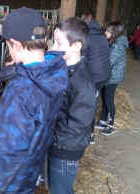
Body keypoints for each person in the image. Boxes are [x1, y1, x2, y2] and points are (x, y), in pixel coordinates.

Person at [0, 7, 69, 194]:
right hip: (28, 175)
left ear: (16, 45)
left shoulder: (21, 91)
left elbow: (8, 151)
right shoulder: (55, 73)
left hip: (7, 184)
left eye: (9, 46)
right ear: (44, 40)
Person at [47, 17, 97, 194]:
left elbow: (78, 124)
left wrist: (51, 135)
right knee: (55, 187)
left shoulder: (83, 83)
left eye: (59, 43)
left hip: (65, 149)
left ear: (76, 46)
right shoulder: (65, 70)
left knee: (61, 190)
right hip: (57, 143)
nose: (53, 48)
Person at [81, 12, 111, 144]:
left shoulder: (88, 39)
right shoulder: (102, 37)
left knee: (90, 105)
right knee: (94, 101)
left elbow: (83, 60)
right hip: (104, 75)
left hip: (95, 76)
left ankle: (90, 135)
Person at [96, 21, 129, 136]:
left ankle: (111, 125)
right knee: (104, 97)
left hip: (113, 76)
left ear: (114, 32)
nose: (105, 32)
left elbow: (110, 61)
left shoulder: (118, 45)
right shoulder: (113, 42)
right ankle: (102, 121)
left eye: (108, 31)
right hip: (108, 74)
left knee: (109, 99)